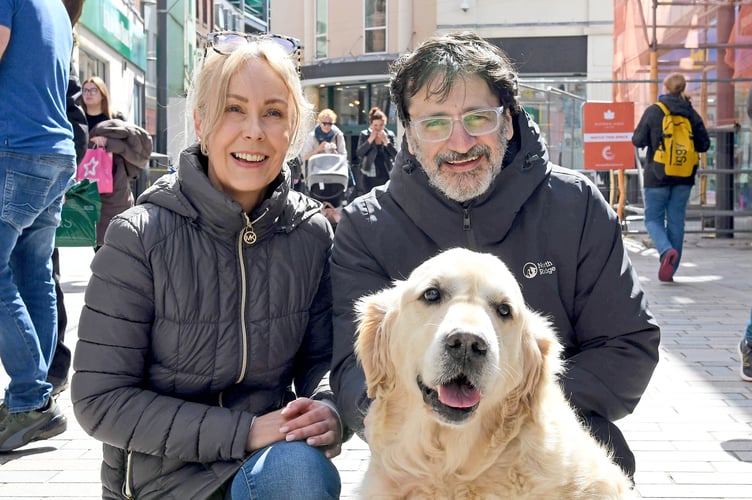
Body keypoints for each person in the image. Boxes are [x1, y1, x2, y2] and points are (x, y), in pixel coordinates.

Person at [330, 31, 660, 479]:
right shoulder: (365, 225)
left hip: (558, 454)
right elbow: (353, 365)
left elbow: (627, 346)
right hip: (418, 467)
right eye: (435, 123)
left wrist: (508, 408)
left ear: (507, 121)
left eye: (478, 118)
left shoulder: (576, 205)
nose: (461, 143)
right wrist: (416, 429)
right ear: (407, 135)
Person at [71, 32, 342, 499]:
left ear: (293, 130)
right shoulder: (139, 236)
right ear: (201, 122)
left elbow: (326, 363)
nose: (254, 130)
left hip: (266, 465)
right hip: (161, 482)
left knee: (303, 472)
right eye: (233, 109)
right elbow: (100, 400)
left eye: (273, 112)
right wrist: (246, 432)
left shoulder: (311, 233)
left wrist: (329, 410)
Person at [0, 0, 75, 451]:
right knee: (34, 275)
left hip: (13, 147)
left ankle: (30, 400)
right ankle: (35, 397)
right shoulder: (55, 7)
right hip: (53, 149)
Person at [47, 0, 89, 398]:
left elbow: (74, 117)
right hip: (47, 157)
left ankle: (51, 369)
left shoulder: (54, 31)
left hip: (35, 159)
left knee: (40, 266)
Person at [632, 72, 710, 282]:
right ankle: (670, 270)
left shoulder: (655, 111)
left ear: (665, 88)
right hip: (684, 176)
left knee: (652, 219)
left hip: (657, 175)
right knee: (676, 221)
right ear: (682, 89)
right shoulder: (691, 113)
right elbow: (704, 144)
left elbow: (637, 140)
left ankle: (666, 250)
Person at [81, 76, 152, 250]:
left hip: (113, 184)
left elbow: (133, 145)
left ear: (102, 94)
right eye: (85, 90)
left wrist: (108, 142)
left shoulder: (115, 118)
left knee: (113, 234)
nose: (88, 94)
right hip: (84, 184)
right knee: (93, 234)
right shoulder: (78, 118)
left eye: (93, 90)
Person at [355, 106, 397, 194]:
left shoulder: (389, 134)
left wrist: (386, 141)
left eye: (381, 125)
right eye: (375, 125)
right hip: (369, 174)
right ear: (371, 125)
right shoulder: (365, 134)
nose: (378, 128)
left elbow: (396, 155)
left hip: (386, 173)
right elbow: (359, 153)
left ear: (384, 124)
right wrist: (370, 140)